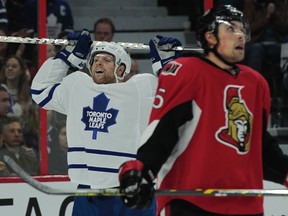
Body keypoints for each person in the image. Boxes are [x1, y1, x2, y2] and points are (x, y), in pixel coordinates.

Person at [118, 5, 288, 216]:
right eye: (231, 29)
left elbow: (258, 144)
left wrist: (285, 172)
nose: (241, 36)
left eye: (242, 30)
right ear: (210, 37)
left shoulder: (256, 83)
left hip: (245, 204)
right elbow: (163, 132)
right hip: (191, 202)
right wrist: (141, 169)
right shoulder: (187, 73)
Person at [31, 29, 160, 215]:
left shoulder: (139, 90)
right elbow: (39, 91)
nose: (98, 62)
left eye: (107, 60)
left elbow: (179, 94)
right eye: (95, 60)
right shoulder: (78, 86)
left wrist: (168, 65)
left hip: (133, 188)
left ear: (121, 69)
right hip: (88, 189)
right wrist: (66, 57)